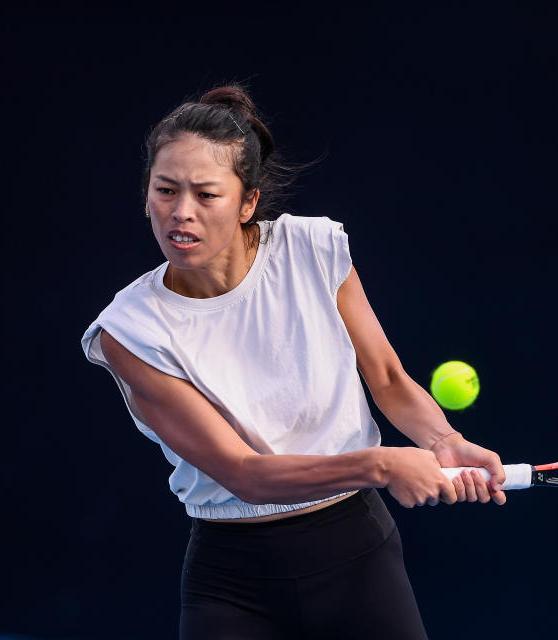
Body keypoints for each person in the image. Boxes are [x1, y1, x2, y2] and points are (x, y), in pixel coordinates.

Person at [81, 84, 507, 639]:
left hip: (359, 560)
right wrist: (380, 464)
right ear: (146, 195)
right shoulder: (130, 331)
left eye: (207, 195)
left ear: (248, 202)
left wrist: (442, 440)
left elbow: (386, 377)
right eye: (165, 190)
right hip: (232, 586)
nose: (180, 213)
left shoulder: (311, 249)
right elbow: (244, 475)